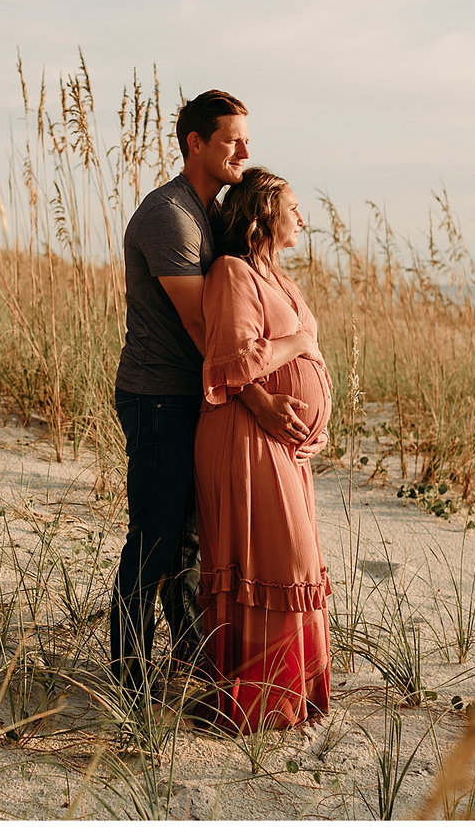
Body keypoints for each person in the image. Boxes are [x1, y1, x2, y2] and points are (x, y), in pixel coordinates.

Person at [112, 91, 321, 697]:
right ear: (194, 143)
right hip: (160, 398)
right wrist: (261, 400)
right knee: (153, 541)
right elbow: (207, 329)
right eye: (233, 140)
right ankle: (129, 681)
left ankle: (187, 662)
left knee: (192, 545)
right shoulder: (169, 216)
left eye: (246, 140)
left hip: (200, 403)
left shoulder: (211, 215)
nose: (245, 151)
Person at [194, 166, 332, 732]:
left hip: (284, 445)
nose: (303, 218)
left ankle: (290, 697)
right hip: (244, 436)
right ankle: (258, 699)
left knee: (292, 560)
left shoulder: (283, 280)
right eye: (293, 207)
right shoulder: (232, 272)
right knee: (278, 560)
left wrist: (313, 427)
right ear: (261, 216)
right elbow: (228, 360)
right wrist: (297, 344)